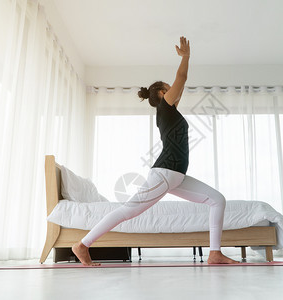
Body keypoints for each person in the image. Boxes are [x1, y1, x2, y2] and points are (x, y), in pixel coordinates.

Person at [72, 36, 239, 266]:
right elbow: (182, 77)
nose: (176, 93)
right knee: (128, 211)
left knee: (217, 200)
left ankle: (214, 253)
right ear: (162, 93)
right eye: (170, 90)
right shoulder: (164, 107)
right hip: (165, 173)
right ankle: (82, 245)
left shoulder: (169, 113)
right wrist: (186, 57)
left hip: (175, 177)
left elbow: (179, 85)